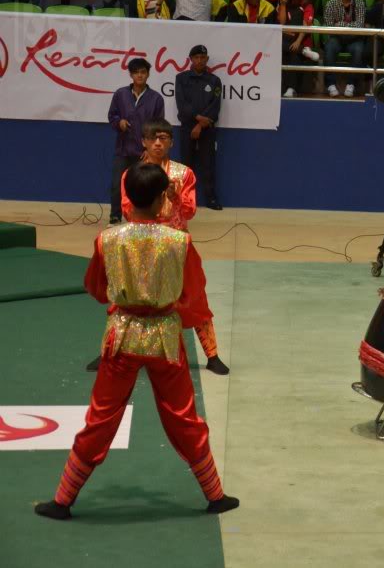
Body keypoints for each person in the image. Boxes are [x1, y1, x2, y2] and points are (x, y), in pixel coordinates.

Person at [35, 164, 239, 522]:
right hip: (165, 339)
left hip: (121, 338)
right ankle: (215, 495)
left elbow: (97, 289)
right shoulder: (180, 242)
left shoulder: (107, 239)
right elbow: (192, 293)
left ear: (127, 196)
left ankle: (63, 500)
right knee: (184, 417)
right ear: (164, 198)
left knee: (100, 418)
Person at [113, 120, 230, 375]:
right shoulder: (131, 175)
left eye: (164, 138)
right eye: (153, 138)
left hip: (178, 247)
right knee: (123, 300)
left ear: (171, 142)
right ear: (143, 141)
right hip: (140, 245)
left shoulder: (183, 173)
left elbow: (189, 212)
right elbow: (127, 211)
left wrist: (176, 197)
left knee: (196, 298)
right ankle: (109, 352)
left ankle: (212, 355)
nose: (158, 143)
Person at [106, 58, 165, 225]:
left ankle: (147, 217)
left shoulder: (156, 98)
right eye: (136, 72)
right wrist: (119, 123)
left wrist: (151, 148)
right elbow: (112, 116)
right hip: (123, 149)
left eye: (143, 72)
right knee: (117, 184)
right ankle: (115, 216)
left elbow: (158, 126)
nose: (140, 75)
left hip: (144, 151)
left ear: (148, 74)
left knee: (146, 184)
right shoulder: (120, 94)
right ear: (131, 75)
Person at [175, 45, 222, 210]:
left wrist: (201, 125)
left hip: (207, 129)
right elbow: (182, 104)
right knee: (186, 165)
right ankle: (184, 200)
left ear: (207, 59)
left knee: (208, 164)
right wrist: (196, 119)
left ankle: (211, 199)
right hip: (187, 127)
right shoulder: (181, 78)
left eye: (203, 57)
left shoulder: (215, 81)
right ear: (191, 60)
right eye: (196, 57)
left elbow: (215, 107)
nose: (200, 60)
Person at [323, 0, 365, 97]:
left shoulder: (360, 4)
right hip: (336, 38)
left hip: (354, 39)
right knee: (329, 47)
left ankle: (351, 84)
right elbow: (329, 26)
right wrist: (349, 25)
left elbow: (360, 25)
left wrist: (340, 24)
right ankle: (330, 84)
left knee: (359, 49)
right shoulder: (331, 4)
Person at [280, 0, 321, 97]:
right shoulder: (284, 3)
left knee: (294, 55)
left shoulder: (306, 4)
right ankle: (304, 50)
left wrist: (298, 42)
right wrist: (282, 5)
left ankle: (291, 88)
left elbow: (306, 24)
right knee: (280, 42)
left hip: (301, 40)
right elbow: (282, 23)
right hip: (286, 41)